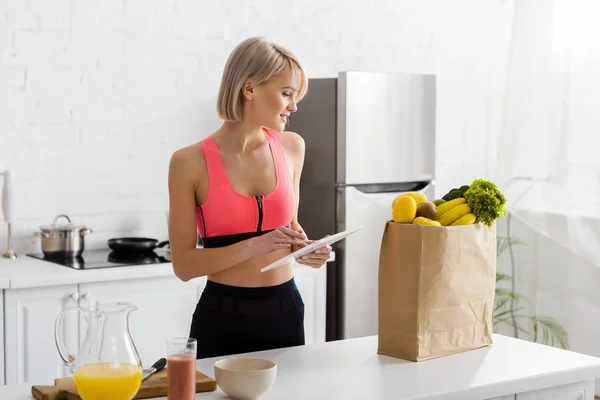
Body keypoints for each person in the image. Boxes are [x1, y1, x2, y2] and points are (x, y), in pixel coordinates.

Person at [167, 36, 332, 359]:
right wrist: (252, 246)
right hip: (221, 316)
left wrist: (307, 251)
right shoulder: (188, 162)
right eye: (286, 93)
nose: (293, 106)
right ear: (249, 89)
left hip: (286, 310)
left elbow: (291, 231)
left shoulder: (292, 147)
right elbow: (184, 265)